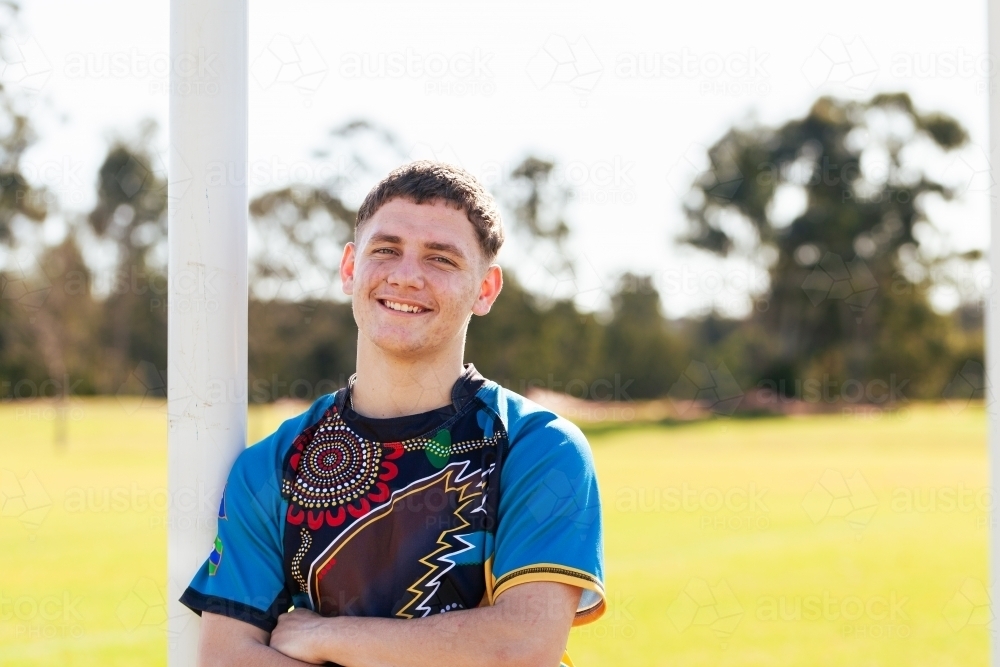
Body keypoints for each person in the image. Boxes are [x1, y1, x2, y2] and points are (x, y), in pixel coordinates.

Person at [180, 161, 605, 667]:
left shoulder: (537, 447)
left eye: (441, 259)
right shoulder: (272, 466)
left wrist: (325, 637)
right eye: (386, 250)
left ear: (485, 289)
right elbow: (227, 659)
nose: (406, 276)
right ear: (349, 268)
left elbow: (520, 647)